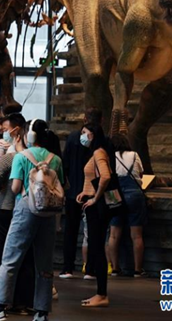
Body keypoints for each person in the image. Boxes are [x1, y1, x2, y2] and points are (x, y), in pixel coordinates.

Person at [0, 119, 63, 321]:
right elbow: (62, 186)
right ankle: (42, 312)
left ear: (29, 135)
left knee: (10, 259)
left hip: (25, 210)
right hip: (48, 214)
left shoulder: (20, 157)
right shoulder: (55, 159)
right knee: (44, 264)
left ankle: (0, 308)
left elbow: (16, 187)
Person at [0, 128, 35, 318]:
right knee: (24, 257)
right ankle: (22, 303)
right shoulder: (39, 158)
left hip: (5, 209)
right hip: (27, 211)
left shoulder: (10, 158)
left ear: (18, 136)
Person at [60, 108, 102, 280]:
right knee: (93, 232)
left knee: (70, 230)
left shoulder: (73, 138)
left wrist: (65, 186)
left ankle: (67, 268)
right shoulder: (101, 142)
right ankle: (90, 269)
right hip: (93, 193)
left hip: (73, 191)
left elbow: (65, 165)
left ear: (84, 119)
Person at [76, 123, 113, 308]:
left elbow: (105, 176)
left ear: (92, 134)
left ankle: (102, 294)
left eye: (84, 132)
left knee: (97, 248)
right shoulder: (97, 152)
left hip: (97, 207)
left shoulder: (98, 152)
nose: (82, 136)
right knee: (96, 247)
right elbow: (96, 178)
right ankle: (100, 293)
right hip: (94, 204)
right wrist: (86, 192)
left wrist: (95, 198)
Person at [108, 134, 148, 277]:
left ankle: (115, 268)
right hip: (134, 194)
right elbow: (141, 174)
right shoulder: (134, 155)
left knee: (113, 235)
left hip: (115, 194)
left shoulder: (109, 157)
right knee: (136, 236)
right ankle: (137, 270)